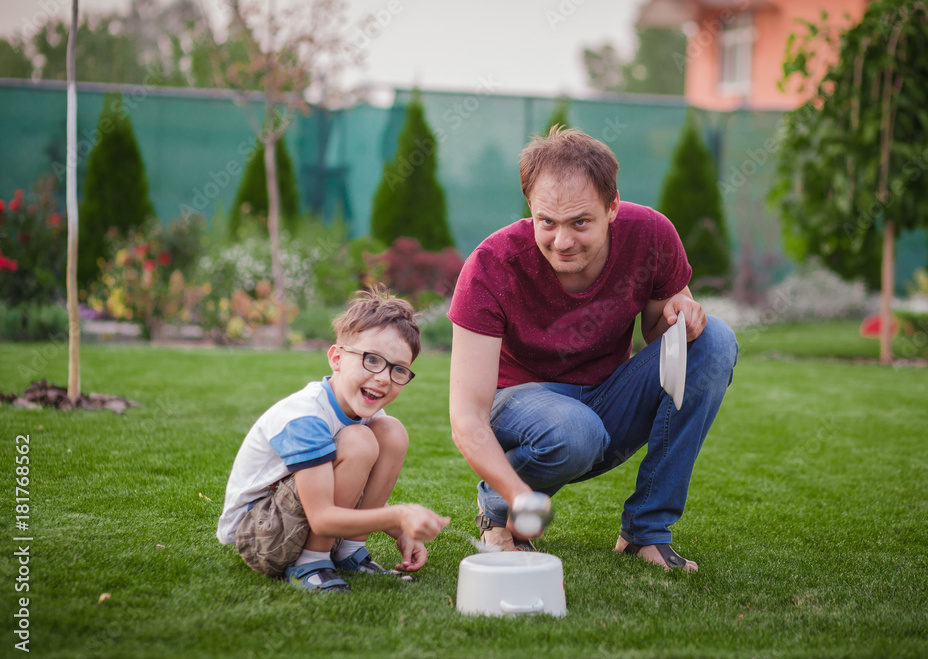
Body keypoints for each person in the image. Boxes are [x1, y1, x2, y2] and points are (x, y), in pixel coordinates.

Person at [448, 127, 738, 572]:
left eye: (580, 222)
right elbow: (468, 417)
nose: (562, 241)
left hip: (605, 398)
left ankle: (646, 531)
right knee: (574, 430)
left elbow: (665, 339)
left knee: (714, 340)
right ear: (531, 209)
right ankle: (496, 511)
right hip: (523, 408)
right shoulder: (491, 266)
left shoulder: (651, 235)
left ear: (613, 206)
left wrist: (682, 314)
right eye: (547, 222)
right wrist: (517, 494)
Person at [217, 285, 450, 592]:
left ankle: (349, 551)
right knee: (359, 441)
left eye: (398, 370)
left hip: (302, 517)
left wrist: (399, 531)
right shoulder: (306, 416)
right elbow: (323, 518)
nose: (382, 377)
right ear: (336, 359)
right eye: (371, 359)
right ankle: (311, 561)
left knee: (392, 432)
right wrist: (400, 514)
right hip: (261, 534)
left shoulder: (364, 414)